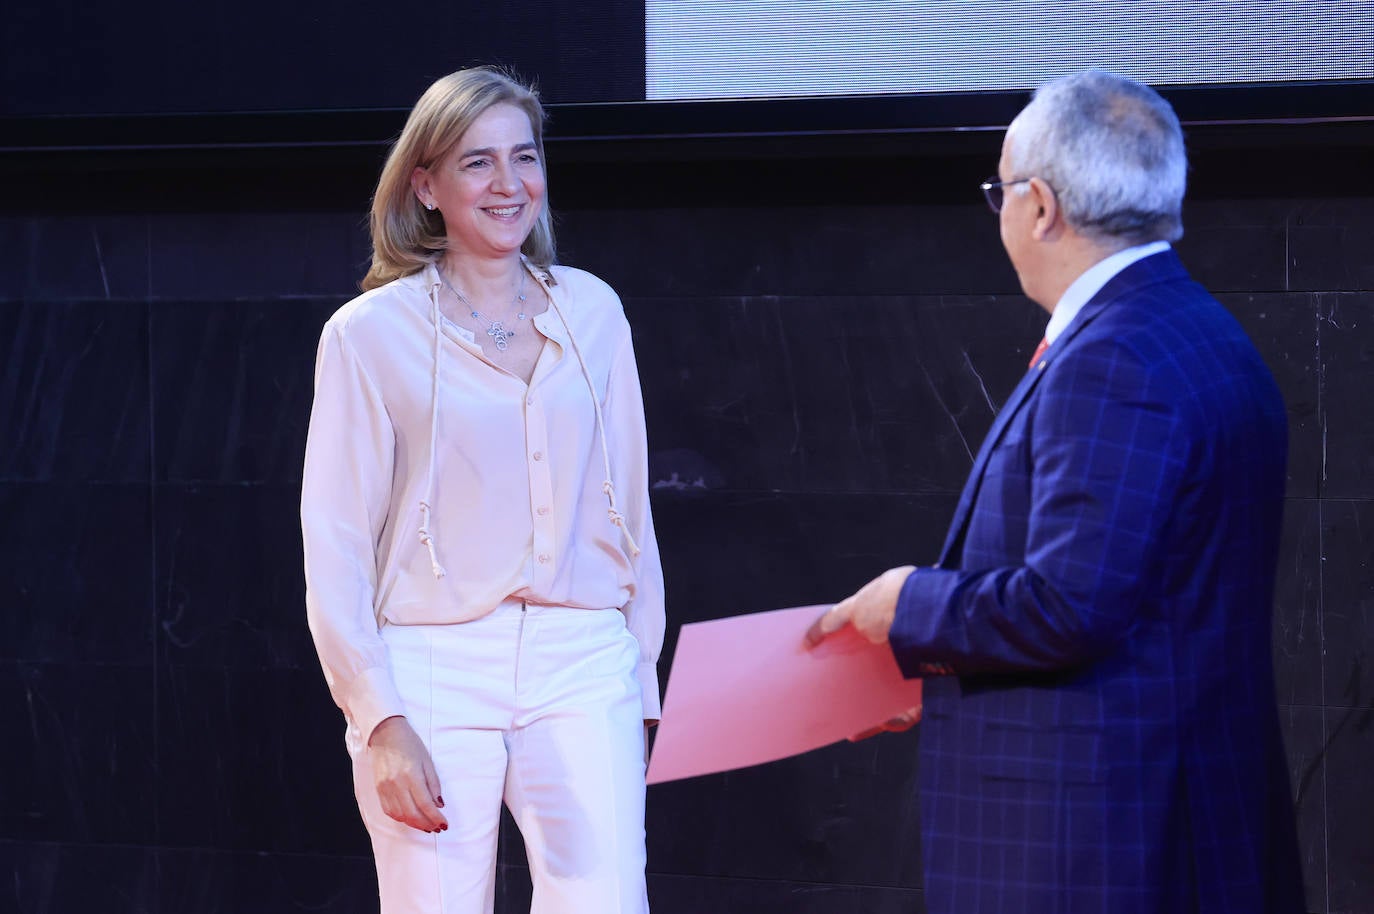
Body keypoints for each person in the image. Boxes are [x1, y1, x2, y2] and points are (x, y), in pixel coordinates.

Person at [806, 69, 1304, 913]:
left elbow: (1069, 605)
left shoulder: (1114, 360)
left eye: (999, 190)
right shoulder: (1200, 329)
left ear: (1039, 206)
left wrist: (908, 605)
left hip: (1100, 842)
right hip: (1178, 814)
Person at [301, 66, 663, 914]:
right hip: (432, 659)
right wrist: (378, 718)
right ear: (424, 185)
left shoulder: (594, 311)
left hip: (582, 654)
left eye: (524, 158)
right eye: (477, 163)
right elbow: (337, 543)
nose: (509, 185)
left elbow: (631, 510)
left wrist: (637, 678)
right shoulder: (368, 335)